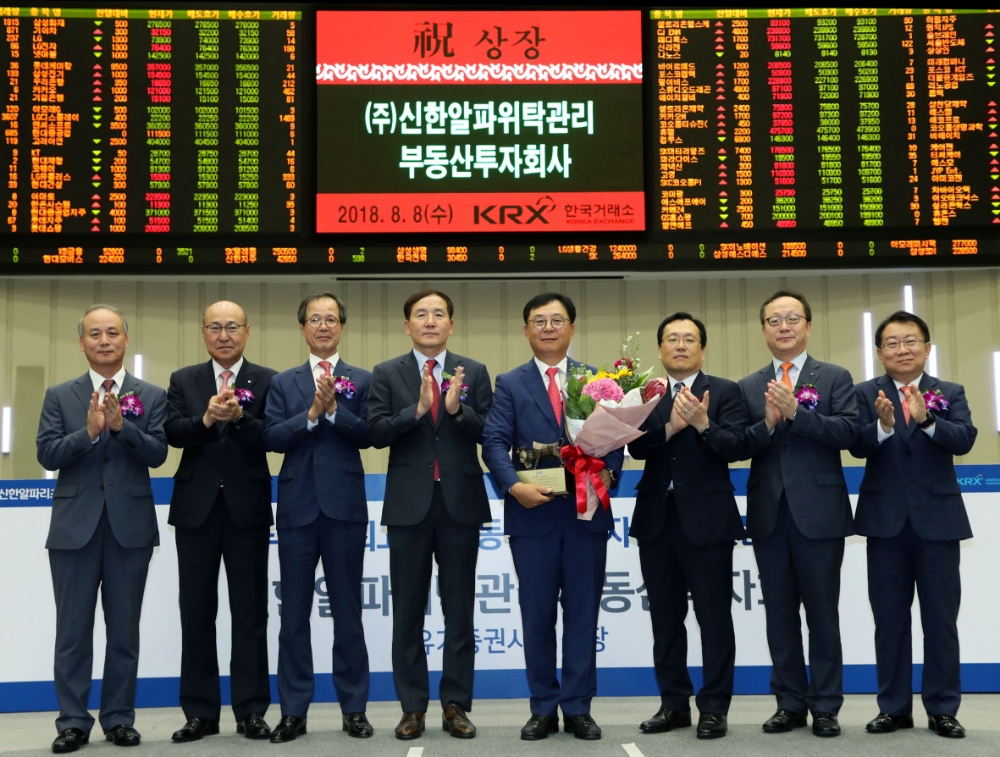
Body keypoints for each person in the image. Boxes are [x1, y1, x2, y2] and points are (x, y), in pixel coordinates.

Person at [482, 292, 623, 742]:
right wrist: (513, 486)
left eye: (557, 320)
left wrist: (606, 478)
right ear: (525, 330)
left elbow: (616, 440)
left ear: (572, 328)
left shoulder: (597, 381)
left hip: (586, 514)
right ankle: (543, 707)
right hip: (533, 516)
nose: (548, 327)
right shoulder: (510, 383)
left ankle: (578, 707)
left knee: (583, 615)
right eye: (538, 321)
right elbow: (493, 443)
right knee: (537, 615)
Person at [36, 304, 168, 753]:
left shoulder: (150, 395)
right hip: (74, 530)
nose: (104, 340)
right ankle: (72, 722)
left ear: (126, 340)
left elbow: (157, 454)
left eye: (113, 332)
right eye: (95, 333)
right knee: (72, 633)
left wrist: (120, 427)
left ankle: (118, 719)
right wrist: (88, 434)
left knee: (124, 631)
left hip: (129, 528)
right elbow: (47, 454)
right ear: (82, 343)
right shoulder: (60, 394)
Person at [368, 290, 493, 740]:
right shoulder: (386, 373)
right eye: (421, 314)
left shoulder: (474, 371)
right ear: (407, 325)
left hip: (459, 502)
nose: (430, 321)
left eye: (439, 314)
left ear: (451, 324)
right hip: (408, 506)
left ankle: (455, 705)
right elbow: (376, 433)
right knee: (407, 611)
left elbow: (490, 431)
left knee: (459, 610)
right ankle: (412, 708)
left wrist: (458, 410)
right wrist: (417, 410)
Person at [850, 311, 976, 739]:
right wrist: (883, 427)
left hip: (937, 523)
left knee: (941, 619)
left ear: (926, 347)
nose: (902, 350)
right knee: (889, 619)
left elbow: (964, 439)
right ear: (880, 353)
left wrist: (926, 420)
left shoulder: (949, 391)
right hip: (885, 524)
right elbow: (853, 443)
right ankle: (894, 707)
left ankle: (942, 708)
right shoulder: (864, 393)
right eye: (892, 343)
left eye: (910, 341)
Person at [738, 290, 858, 738]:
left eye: (792, 319)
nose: (783, 327)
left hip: (820, 513)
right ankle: (789, 703)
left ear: (807, 326)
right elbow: (739, 445)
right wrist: (768, 422)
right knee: (780, 615)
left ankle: (825, 705)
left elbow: (848, 432)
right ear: (764, 329)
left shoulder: (834, 377)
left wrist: (797, 414)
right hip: (769, 513)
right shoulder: (749, 386)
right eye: (774, 320)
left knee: (823, 613)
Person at [627, 313, 747, 740]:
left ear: (702, 348)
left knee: (714, 618)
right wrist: (672, 426)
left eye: (689, 339)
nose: (680, 345)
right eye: (672, 339)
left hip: (709, 522)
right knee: (665, 619)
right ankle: (673, 704)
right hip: (658, 521)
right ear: (660, 349)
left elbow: (737, 447)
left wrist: (702, 425)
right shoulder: (645, 394)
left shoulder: (726, 391)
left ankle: (714, 708)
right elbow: (636, 448)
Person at [263, 292, 373, 741]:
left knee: (348, 612)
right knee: (293, 614)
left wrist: (335, 411)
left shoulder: (361, 379)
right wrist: (310, 415)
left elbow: (369, 435)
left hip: (345, 507)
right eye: (315, 319)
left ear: (342, 327)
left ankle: (354, 709)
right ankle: (293, 711)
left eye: (331, 319)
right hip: (296, 507)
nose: (323, 326)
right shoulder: (283, 382)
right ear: (303, 328)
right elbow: (270, 436)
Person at [164, 301, 276, 742]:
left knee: (250, 614)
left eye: (233, 327)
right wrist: (207, 418)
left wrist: (242, 418)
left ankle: (250, 710)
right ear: (204, 332)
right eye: (216, 327)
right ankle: (200, 713)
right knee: (196, 613)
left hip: (247, 509)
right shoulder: (183, 379)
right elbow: (172, 431)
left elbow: (271, 436)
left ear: (247, 331)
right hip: (196, 509)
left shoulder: (268, 379)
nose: (224, 334)